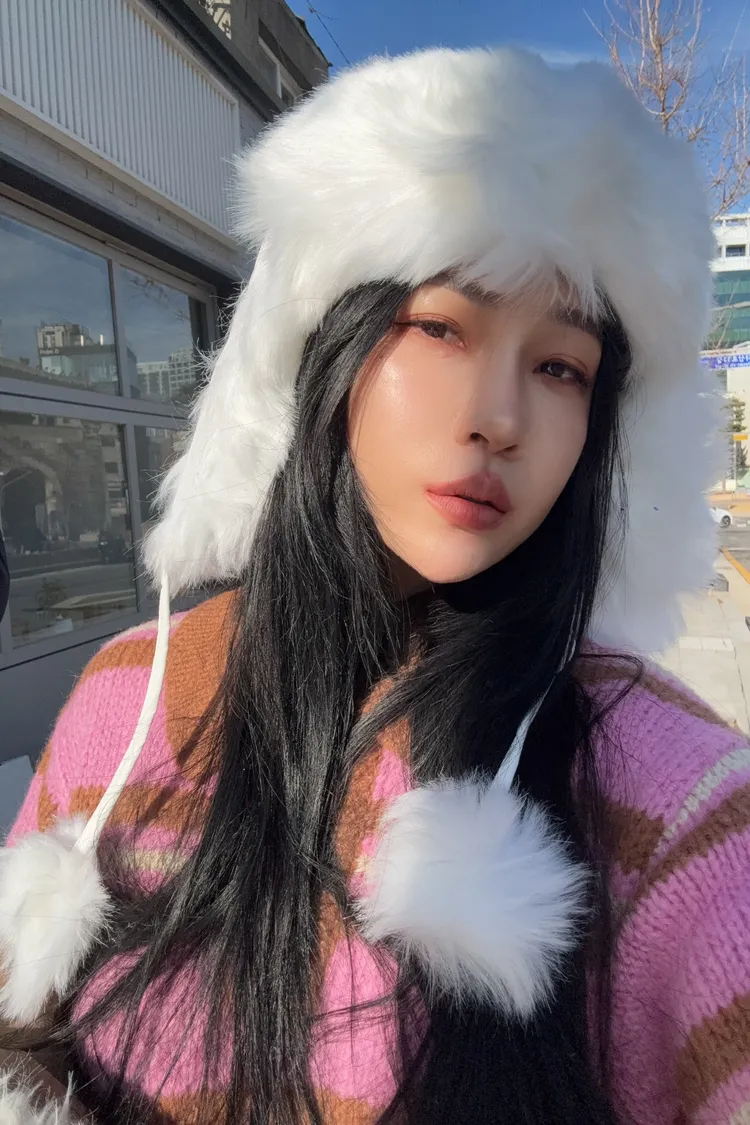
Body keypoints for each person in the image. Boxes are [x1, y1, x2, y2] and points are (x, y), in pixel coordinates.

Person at [0, 46, 745, 1125]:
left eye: (561, 367)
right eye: (440, 327)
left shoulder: (667, 792)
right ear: (323, 353)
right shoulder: (129, 702)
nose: (498, 417)